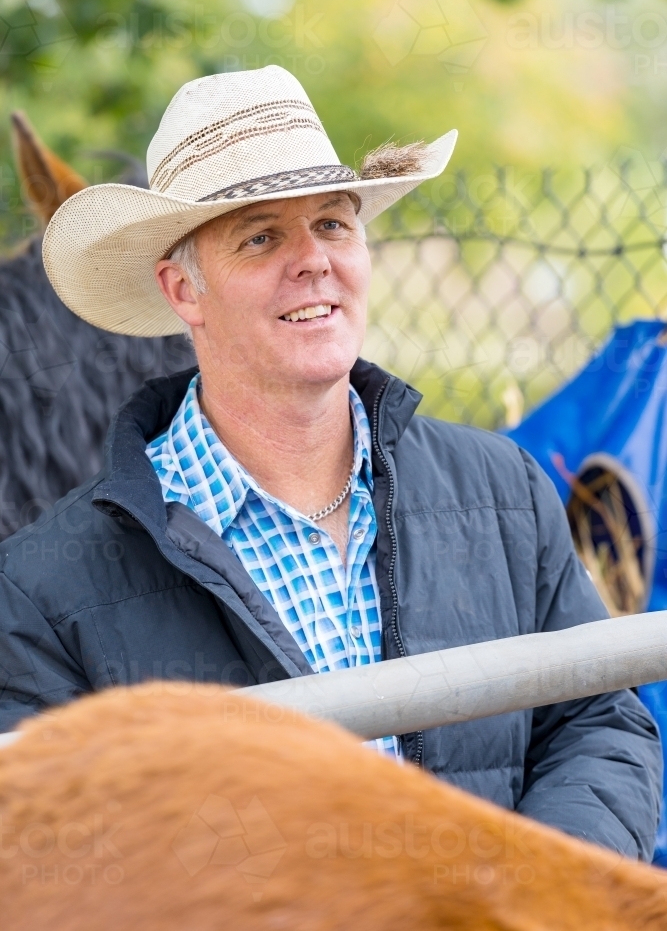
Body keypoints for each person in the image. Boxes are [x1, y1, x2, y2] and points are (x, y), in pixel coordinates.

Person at [0, 66, 661, 861]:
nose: (313, 260)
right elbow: (60, 861)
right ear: (183, 290)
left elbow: (598, 721)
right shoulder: (43, 590)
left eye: (334, 224)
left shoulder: (503, 491)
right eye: (261, 235)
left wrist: (523, 899)